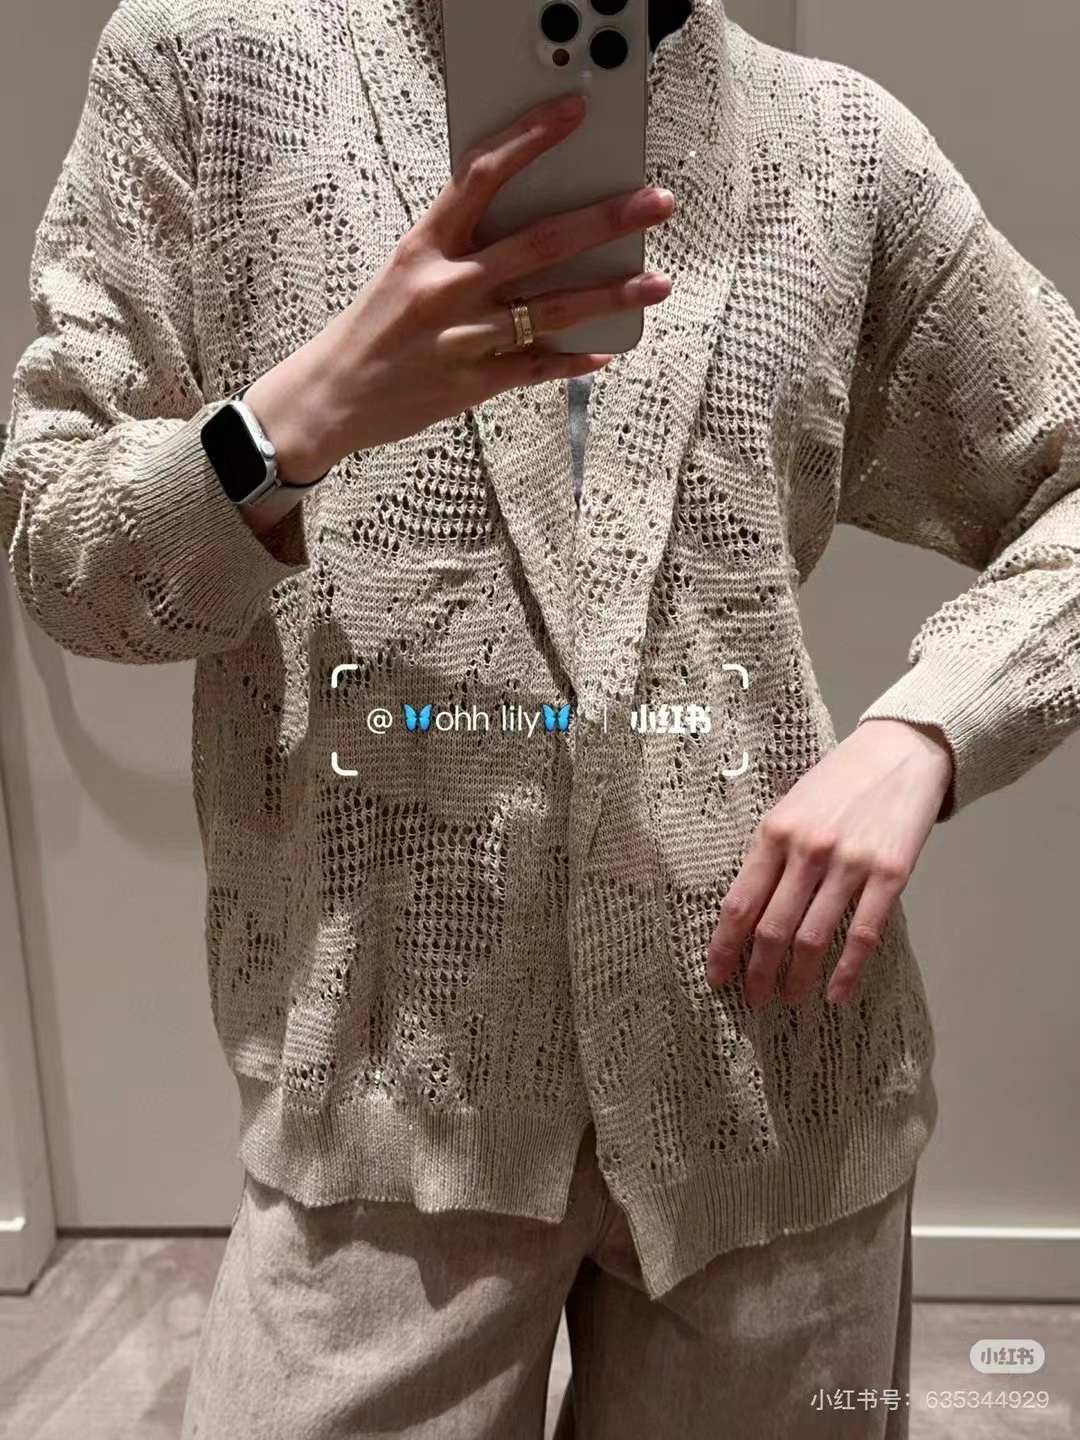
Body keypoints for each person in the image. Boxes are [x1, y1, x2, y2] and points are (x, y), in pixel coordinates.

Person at [2, 0, 1078, 1436]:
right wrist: (288, 425)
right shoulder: (213, 67)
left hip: (774, 1087)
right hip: (385, 1109)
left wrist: (929, 733)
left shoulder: (839, 147)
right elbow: (65, 558)